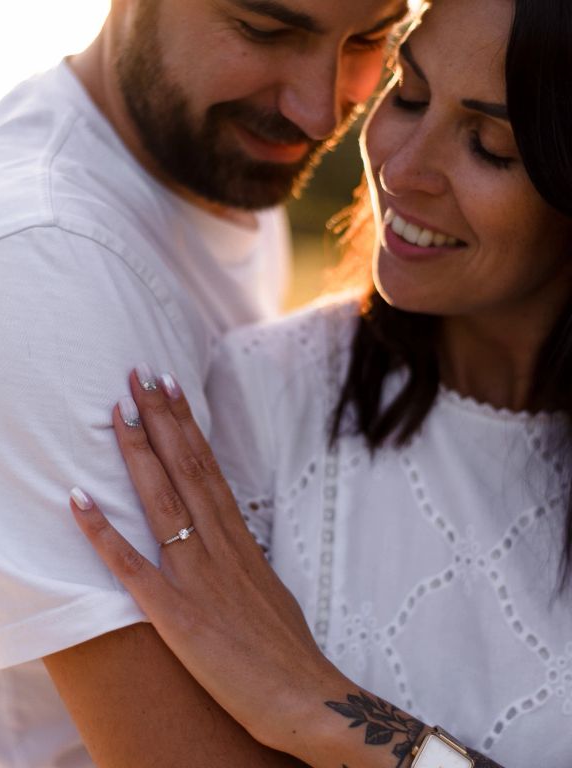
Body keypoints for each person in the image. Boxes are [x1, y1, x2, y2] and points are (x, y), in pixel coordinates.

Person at [0, 0, 413, 765]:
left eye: (371, 39)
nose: (317, 108)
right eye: (265, 31)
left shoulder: (217, 170)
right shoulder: (34, 263)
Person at [69, 0, 572, 766]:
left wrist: (322, 707)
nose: (400, 170)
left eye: (488, 144)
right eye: (407, 94)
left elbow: (305, 707)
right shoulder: (267, 400)